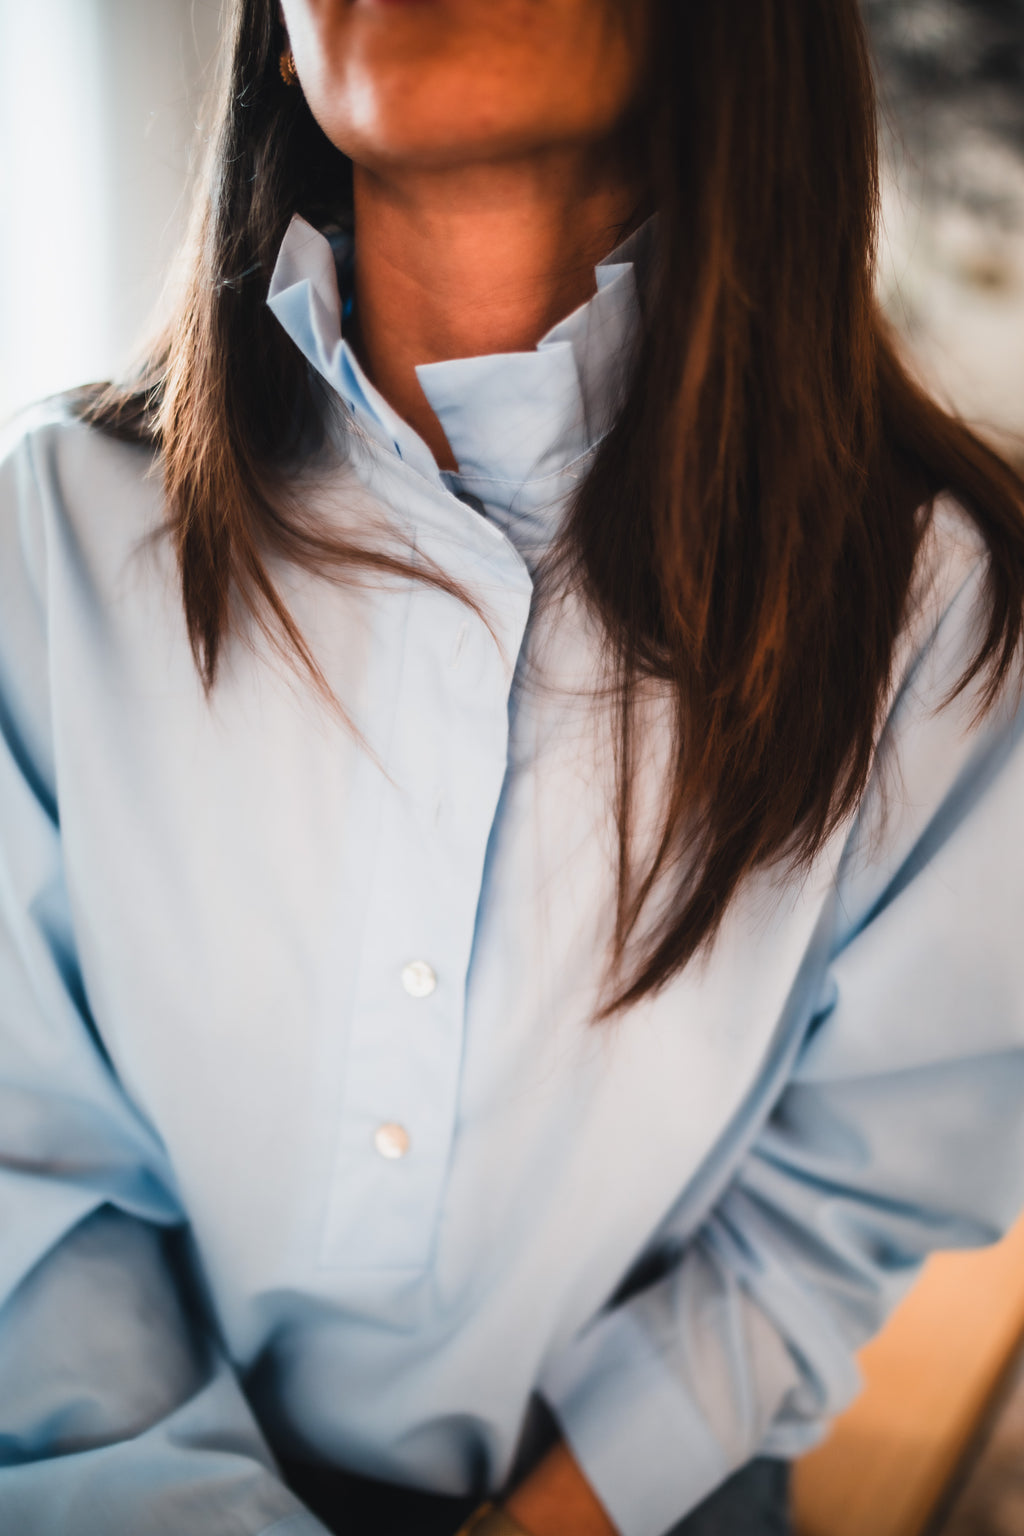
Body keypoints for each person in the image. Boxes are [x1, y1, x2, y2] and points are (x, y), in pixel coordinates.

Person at [1, 1, 1024, 1533]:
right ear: (279, 39)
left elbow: (844, 1198)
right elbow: (27, 1168)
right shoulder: (47, 535)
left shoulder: (937, 612)